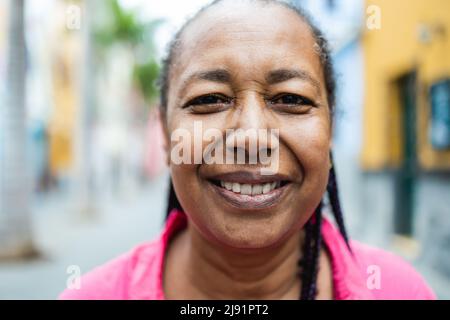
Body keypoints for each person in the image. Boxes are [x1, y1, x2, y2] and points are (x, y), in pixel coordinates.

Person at [60, 0, 435, 300]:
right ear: (164, 131)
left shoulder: (400, 292)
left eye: (291, 98)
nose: (252, 138)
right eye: (209, 99)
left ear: (331, 129)